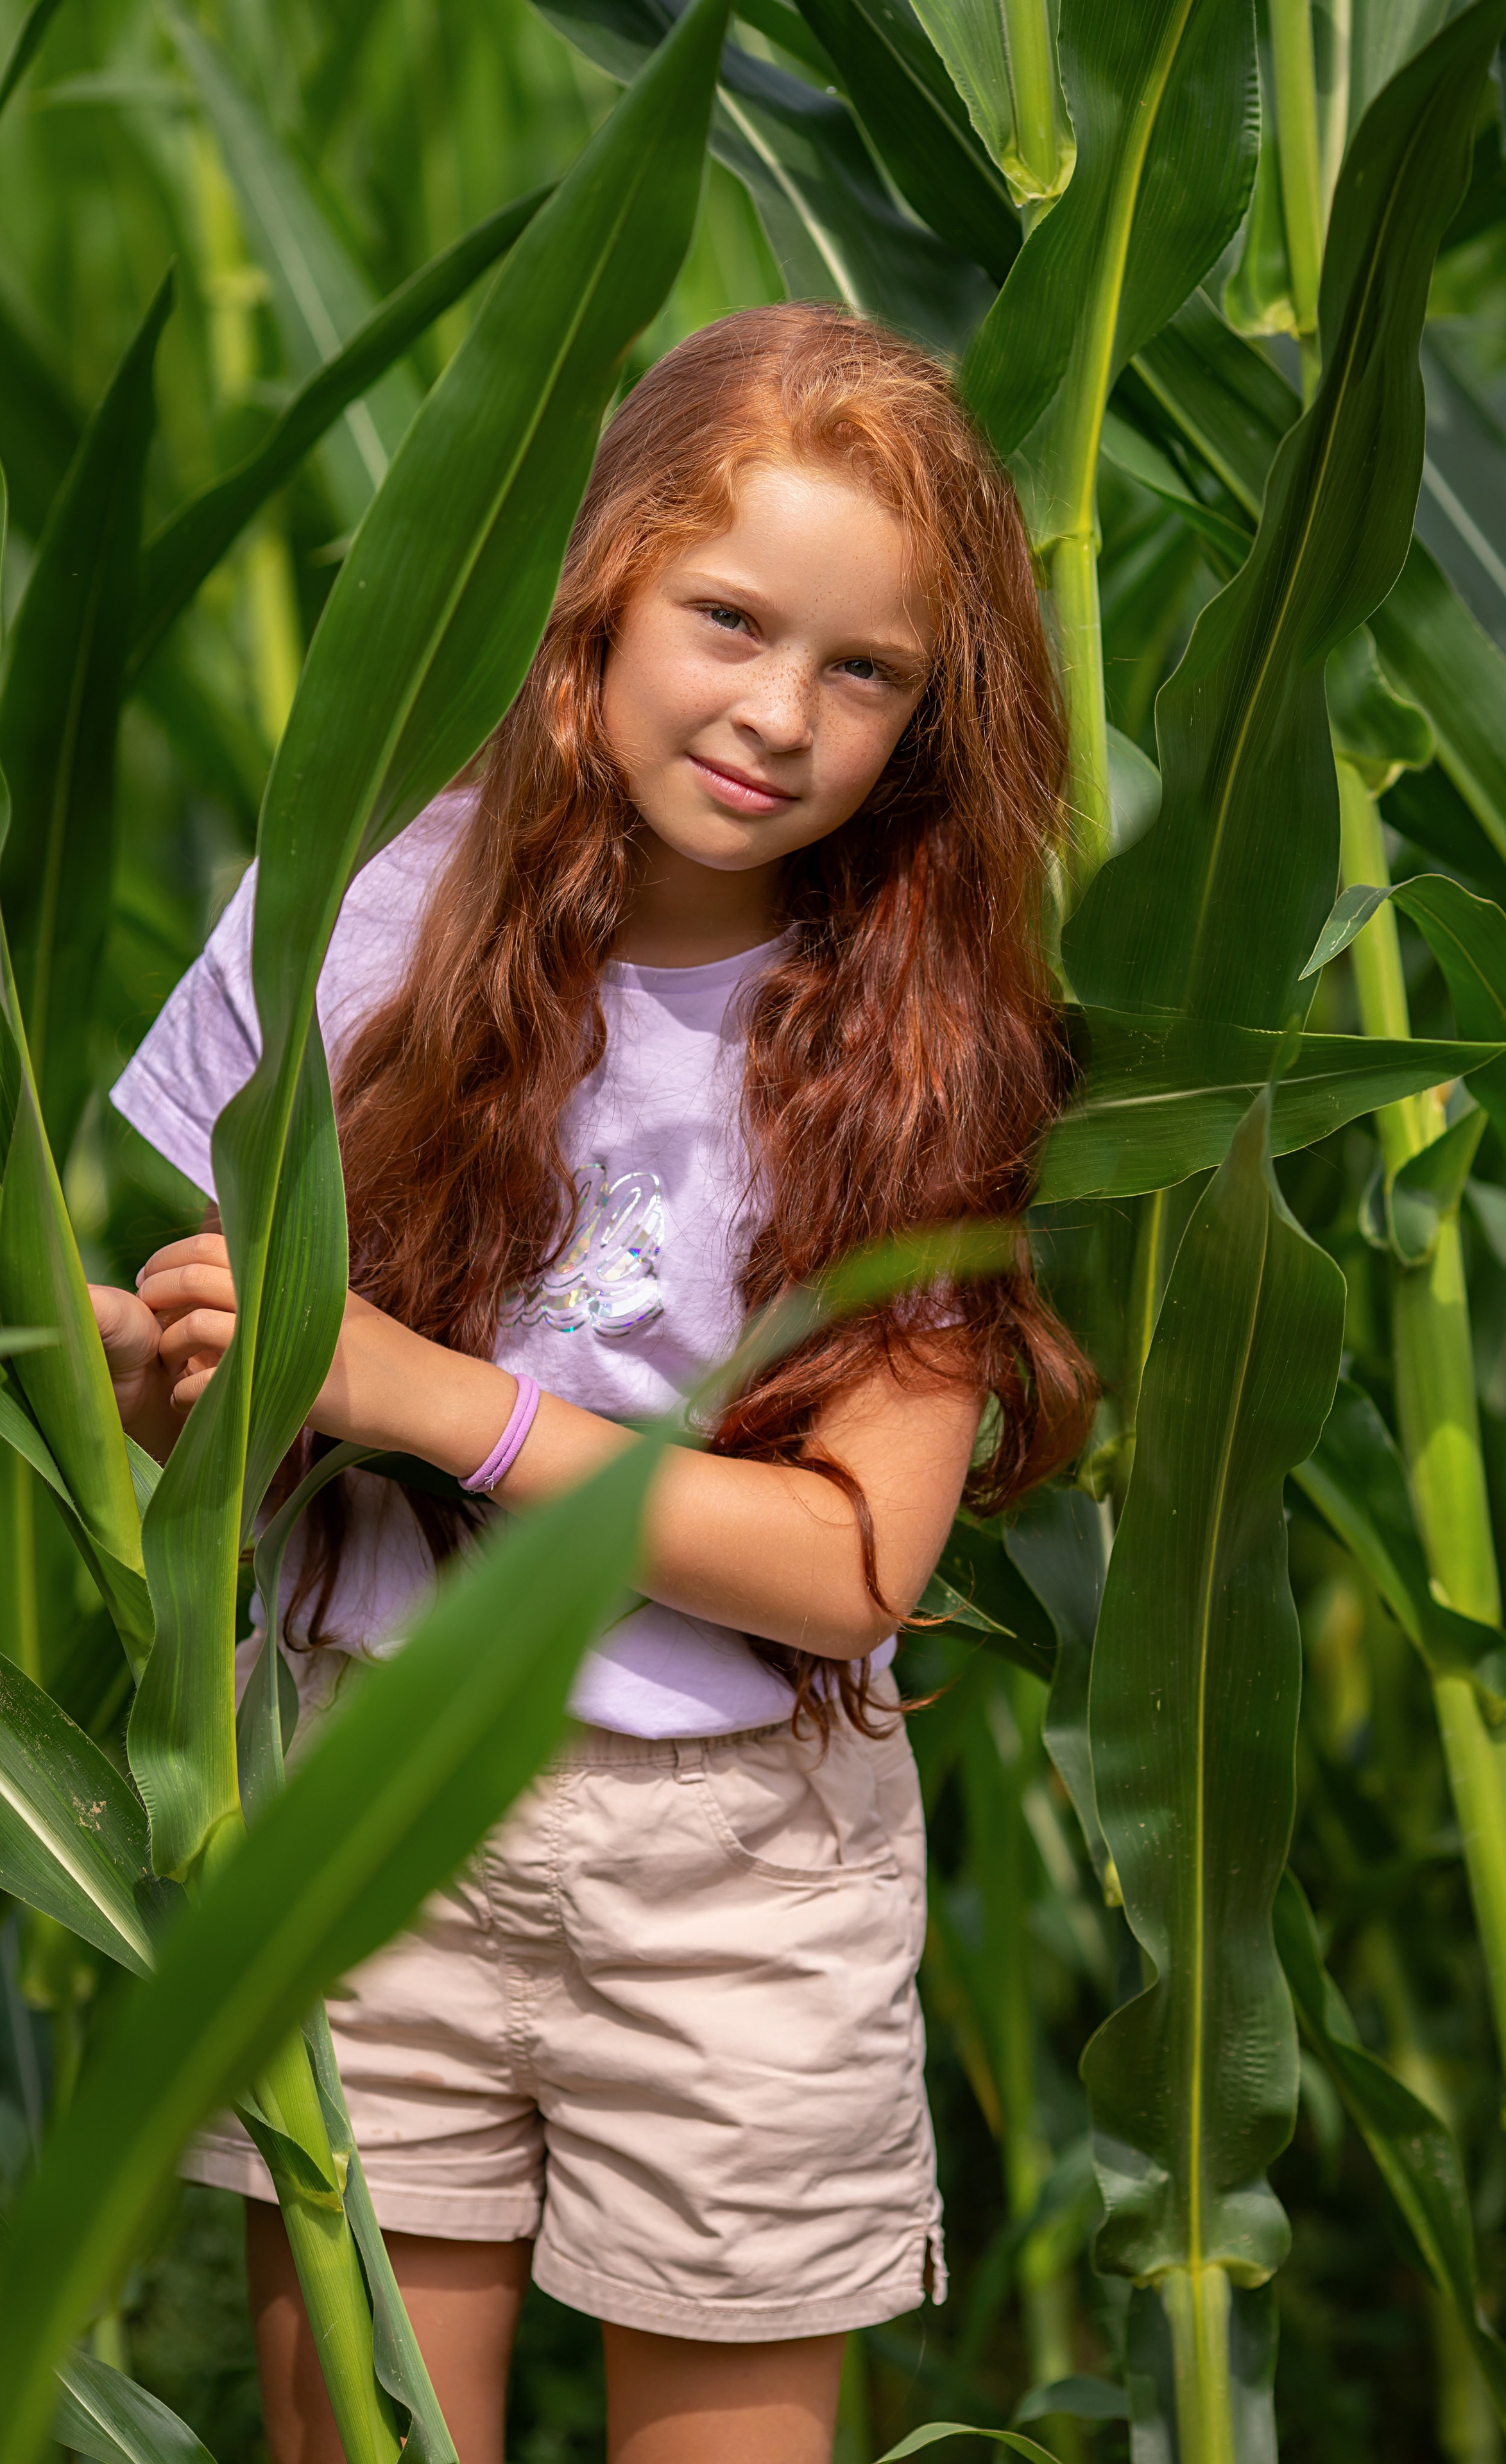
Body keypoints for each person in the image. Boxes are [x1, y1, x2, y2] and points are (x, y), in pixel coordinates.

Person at [91, 303, 1091, 2464]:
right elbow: (226, 1432)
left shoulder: (926, 1050)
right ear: (605, 588)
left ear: (931, 720)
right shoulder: (357, 918)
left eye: (867, 671)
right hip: (372, 1786)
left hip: (730, 1871)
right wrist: (170, 1370)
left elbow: (853, 1564)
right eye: (730, 617)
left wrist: (438, 1399)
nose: (777, 713)